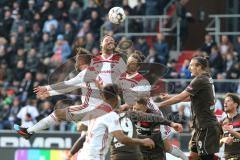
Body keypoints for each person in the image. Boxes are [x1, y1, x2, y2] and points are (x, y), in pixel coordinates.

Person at [14, 48, 103, 139]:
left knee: (58, 114)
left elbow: (67, 84)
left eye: (77, 59)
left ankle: (28, 131)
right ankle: (28, 131)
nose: (75, 62)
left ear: (81, 61)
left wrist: (46, 87)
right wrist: (50, 93)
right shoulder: (92, 73)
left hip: (90, 108)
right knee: (86, 138)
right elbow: (70, 88)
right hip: (97, 109)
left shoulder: (85, 73)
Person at [158, 56, 222, 160]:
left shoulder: (199, 80)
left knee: (206, 158)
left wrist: (159, 105)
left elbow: (181, 97)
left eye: (191, 65)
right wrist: (169, 97)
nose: (189, 68)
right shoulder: (206, 78)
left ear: (199, 67)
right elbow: (190, 97)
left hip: (206, 127)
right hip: (201, 126)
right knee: (193, 157)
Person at [76, 84, 155, 160]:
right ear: (117, 98)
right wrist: (143, 141)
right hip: (94, 157)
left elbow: (80, 127)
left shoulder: (96, 110)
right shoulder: (111, 115)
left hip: (83, 155)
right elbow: (122, 139)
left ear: (103, 96)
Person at [220, 93, 240, 160]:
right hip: (227, 156)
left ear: (235, 104)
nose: (225, 102)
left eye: (228, 101)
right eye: (225, 101)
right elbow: (217, 144)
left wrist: (231, 131)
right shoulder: (222, 122)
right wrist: (223, 140)